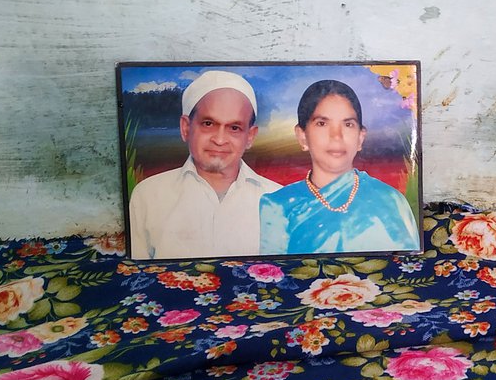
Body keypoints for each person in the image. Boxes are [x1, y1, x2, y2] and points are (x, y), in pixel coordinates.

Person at [129, 70, 281, 259]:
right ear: (186, 127)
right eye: (208, 124)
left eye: (234, 128)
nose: (219, 140)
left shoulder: (278, 200)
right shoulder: (148, 196)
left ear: (250, 136)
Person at [260, 79, 419, 255]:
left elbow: (409, 267)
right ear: (302, 136)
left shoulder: (391, 200)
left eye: (348, 124)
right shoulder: (278, 205)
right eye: (322, 123)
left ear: (360, 137)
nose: (336, 136)